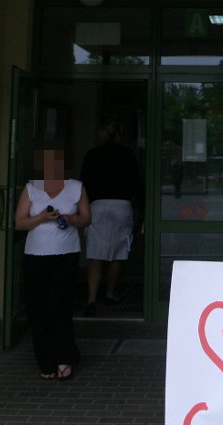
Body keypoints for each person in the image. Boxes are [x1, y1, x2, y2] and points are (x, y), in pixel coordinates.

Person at [15, 147, 91, 380]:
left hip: (66, 254)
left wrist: (70, 219)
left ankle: (65, 358)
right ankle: (45, 361)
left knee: (60, 306)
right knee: (38, 308)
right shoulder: (31, 189)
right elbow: (19, 223)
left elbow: (86, 219)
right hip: (36, 255)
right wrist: (41, 218)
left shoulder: (76, 187)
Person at [79, 120, 143, 316]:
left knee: (96, 254)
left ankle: (91, 299)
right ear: (118, 134)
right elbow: (136, 183)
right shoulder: (128, 155)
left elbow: (84, 183)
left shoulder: (92, 155)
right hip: (121, 206)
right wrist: (141, 208)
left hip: (97, 205)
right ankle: (110, 292)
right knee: (117, 253)